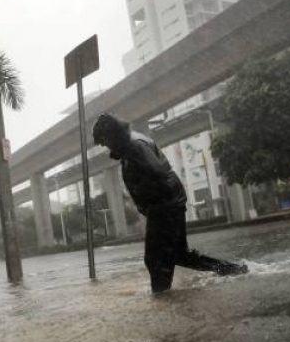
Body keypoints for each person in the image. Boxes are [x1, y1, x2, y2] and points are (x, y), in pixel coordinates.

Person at [92, 113, 247, 292]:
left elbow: (156, 172)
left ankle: (162, 299)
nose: (104, 145)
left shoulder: (134, 146)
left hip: (164, 206)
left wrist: (147, 199)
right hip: (170, 202)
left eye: (104, 140)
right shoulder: (132, 143)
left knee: (155, 258)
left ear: (112, 134)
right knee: (180, 255)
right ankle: (233, 270)